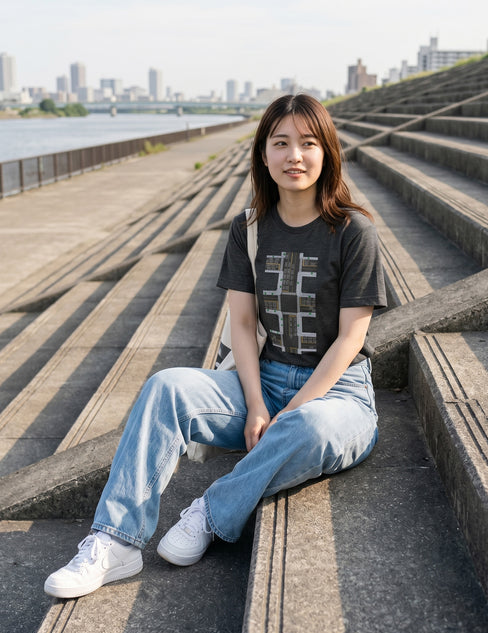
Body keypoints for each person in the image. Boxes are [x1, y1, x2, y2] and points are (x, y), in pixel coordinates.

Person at [44, 93, 386, 599]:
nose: (295, 155)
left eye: (308, 143)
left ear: (327, 151)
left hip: (339, 396)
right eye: (281, 143)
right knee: (167, 386)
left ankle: (211, 509)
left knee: (309, 426)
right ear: (263, 155)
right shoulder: (247, 228)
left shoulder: (353, 231)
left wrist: (288, 413)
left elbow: (351, 337)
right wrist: (254, 405)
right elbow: (243, 325)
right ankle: (115, 541)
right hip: (263, 379)